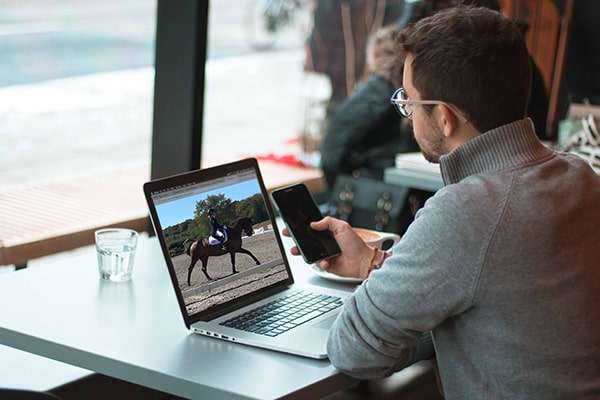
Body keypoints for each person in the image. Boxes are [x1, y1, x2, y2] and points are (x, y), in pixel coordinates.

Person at [286, 6, 600, 399]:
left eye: (409, 102)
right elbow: (488, 294)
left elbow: (352, 350)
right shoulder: (581, 178)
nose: (407, 115)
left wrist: (382, 288)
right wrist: (373, 263)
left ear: (446, 118)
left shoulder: (466, 211)